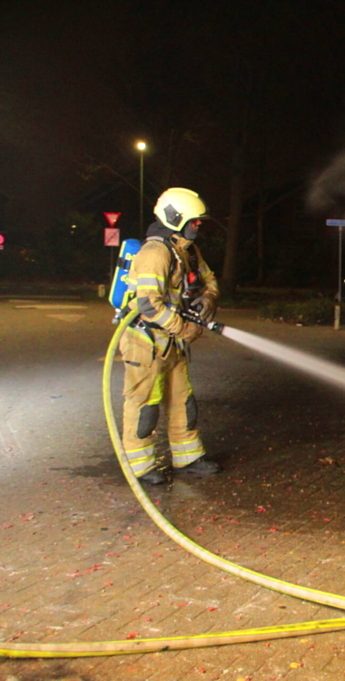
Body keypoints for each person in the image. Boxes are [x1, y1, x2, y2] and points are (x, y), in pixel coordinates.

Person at [120, 187, 221, 485]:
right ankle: (140, 467)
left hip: (173, 344)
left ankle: (187, 457)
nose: (198, 225)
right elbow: (148, 305)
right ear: (175, 218)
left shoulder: (187, 251)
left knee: (183, 401)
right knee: (145, 405)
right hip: (146, 345)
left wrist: (207, 300)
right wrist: (187, 328)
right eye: (194, 220)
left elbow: (209, 279)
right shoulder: (155, 253)